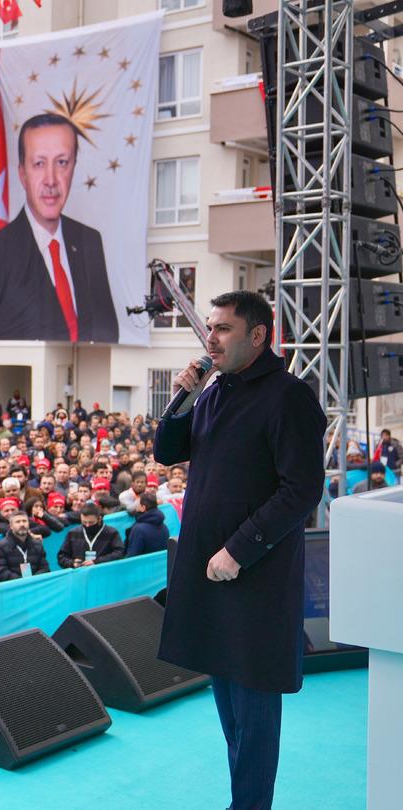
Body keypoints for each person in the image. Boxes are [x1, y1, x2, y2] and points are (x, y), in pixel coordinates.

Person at [154, 290, 326, 810]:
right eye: (209, 327)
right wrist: (181, 398)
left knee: (253, 717)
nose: (211, 337)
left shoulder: (288, 396)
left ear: (257, 335)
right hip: (210, 576)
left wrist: (238, 551)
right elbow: (167, 452)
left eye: (223, 328)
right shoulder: (213, 390)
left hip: (253, 578)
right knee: (230, 711)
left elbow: (302, 490)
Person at [0, 114, 119, 343]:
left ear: (74, 167)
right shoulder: (1, 249)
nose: (51, 180)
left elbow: (107, 328)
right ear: (22, 173)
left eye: (61, 162)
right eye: (39, 163)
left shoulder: (89, 240)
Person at [57, 502, 123, 568]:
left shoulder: (111, 533)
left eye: (91, 522)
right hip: (80, 575)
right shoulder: (73, 533)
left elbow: (119, 553)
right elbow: (62, 557)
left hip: (103, 572)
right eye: (84, 522)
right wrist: (72, 563)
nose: (87, 525)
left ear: (99, 519)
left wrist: (97, 561)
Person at [0, 511, 50, 580]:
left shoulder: (37, 545)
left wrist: (33, 580)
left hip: (35, 586)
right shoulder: (1, 546)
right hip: (15, 588)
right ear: (11, 526)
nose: (22, 524)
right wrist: (22, 582)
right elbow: (1, 572)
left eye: (24, 521)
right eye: (18, 522)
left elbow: (45, 568)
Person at [124, 493, 169, 557]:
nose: (135, 506)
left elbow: (132, 556)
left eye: (137, 504)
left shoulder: (138, 529)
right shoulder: (164, 526)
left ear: (143, 508)